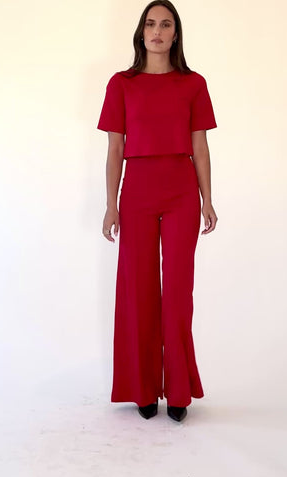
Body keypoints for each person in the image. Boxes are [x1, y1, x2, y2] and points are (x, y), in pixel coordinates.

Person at [96, 0, 218, 422]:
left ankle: (178, 390)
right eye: (151, 24)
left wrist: (207, 199)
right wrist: (111, 204)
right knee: (139, 290)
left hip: (181, 191)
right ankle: (143, 388)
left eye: (166, 25)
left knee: (178, 293)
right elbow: (114, 149)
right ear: (141, 32)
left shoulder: (194, 84)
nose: (158, 31)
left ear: (175, 34)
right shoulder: (121, 84)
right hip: (137, 192)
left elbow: (200, 146)